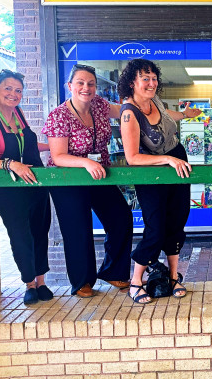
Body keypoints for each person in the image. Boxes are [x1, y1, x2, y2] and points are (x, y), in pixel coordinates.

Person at [42, 64, 133, 298]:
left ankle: (114, 271)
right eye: (80, 83)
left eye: (91, 83)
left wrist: (148, 106)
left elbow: (125, 112)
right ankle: (82, 281)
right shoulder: (59, 116)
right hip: (68, 178)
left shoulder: (100, 106)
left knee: (121, 216)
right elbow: (58, 156)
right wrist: (86, 162)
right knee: (78, 229)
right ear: (69, 86)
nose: (86, 87)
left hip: (98, 175)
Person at [118, 59, 201, 304]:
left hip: (176, 160)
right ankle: (136, 282)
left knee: (177, 219)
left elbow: (167, 114)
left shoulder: (154, 101)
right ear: (132, 82)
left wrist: (185, 115)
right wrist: (167, 159)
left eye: (154, 78)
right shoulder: (129, 113)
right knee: (155, 227)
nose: (151, 83)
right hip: (151, 169)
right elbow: (132, 158)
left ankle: (175, 276)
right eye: (145, 78)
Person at [0, 69, 52, 305]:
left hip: (34, 182)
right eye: (8, 88)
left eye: (18, 90)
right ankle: (29, 283)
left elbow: (26, 144)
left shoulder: (18, 114)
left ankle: (42, 281)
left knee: (40, 230)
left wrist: (53, 147)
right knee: (20, 233)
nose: (13, 94)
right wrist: (12, 165)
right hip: (8, 187)